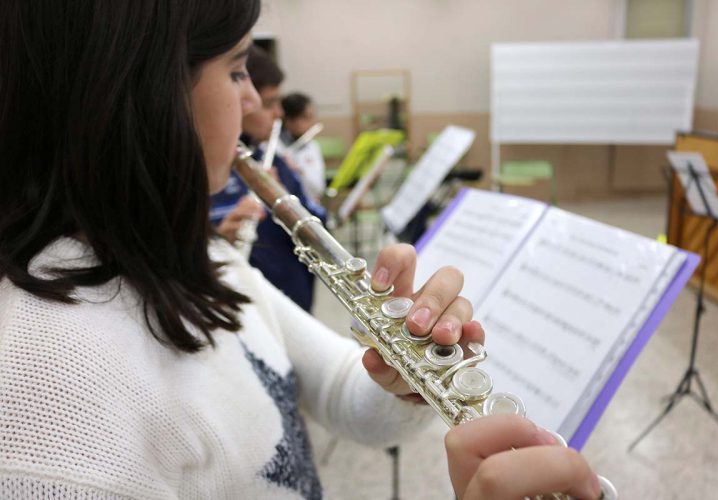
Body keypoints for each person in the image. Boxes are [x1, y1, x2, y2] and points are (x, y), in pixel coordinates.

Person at [0, 1, 603, 499]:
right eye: (236, 71)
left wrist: (402, 374)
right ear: (139, 89)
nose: (255, 105)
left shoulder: (192, 254)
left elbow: (337, 391)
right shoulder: (44, 414)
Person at [211, 48, 325, 312]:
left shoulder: (274, 161)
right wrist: (219, 242)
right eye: (270, 103)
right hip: (240, 307)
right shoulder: (205, 171)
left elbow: (321, 226)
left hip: (293, 301)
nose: (279, 114)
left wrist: (283, 200)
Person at [282, 92, 326, 201]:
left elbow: (319, 188)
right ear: (289, 120)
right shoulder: (275, 147)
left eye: (312, 117)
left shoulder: (313, 146)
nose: (311, 123)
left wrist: (300, 172)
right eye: (305, 118)